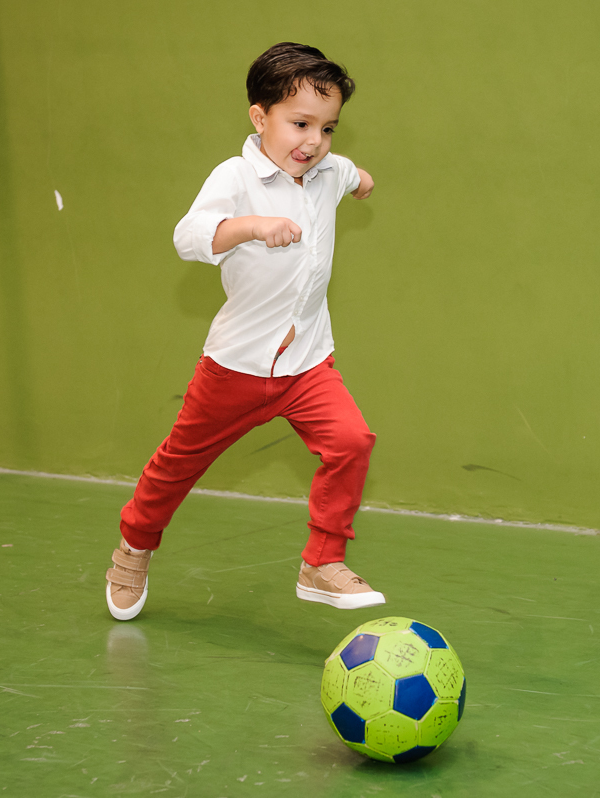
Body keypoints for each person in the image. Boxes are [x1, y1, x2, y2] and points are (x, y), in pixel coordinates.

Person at [104, 42, 384, 621]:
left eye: (328, 128)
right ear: (260, 118)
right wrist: (250, 226)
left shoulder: (328, 171)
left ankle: (321, 562)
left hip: (307, 365)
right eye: (300, 123)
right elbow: (189, 236)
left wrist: (360, 181)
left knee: (351, 442)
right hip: (235, 368)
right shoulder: (235, 176)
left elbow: (353, 175)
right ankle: (132, 549)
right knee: (175, 467)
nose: (314, 141)